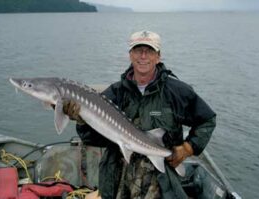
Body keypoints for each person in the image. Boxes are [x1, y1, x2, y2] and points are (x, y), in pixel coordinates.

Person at [63, 30, 216, 199]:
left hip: (161, 182)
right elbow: (95, 139)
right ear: (130, 55)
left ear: (158, 57)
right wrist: (83, 120)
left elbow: (207, 120)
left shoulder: (177, 92)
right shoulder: (115, 93)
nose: (143, 56)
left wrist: (188, 148)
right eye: (138, 50)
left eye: (149, 51)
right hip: (118, 181)